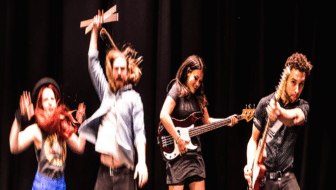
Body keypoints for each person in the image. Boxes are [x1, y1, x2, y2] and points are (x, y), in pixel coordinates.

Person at [78, 10, 148, 190]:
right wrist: (95, 30)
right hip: (103, 173)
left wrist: (142, 162)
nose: (118, 72)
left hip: (124, 174)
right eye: (115, 68)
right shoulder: (106, 91)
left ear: (127, 72)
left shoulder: (134, 99)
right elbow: (93, 63)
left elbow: (139, 133)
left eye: (122, 69)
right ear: (112, 71)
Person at [159, 55, 239, 190]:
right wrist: (178, 139)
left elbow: (207, 121)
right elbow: (163, 115)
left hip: (195, 155)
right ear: (188, 71)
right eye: (195, 79)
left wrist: (226, 121)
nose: (197, 84)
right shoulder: (177, 89)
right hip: (178, 154)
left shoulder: (199, 96)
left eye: (200, 81)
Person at [243, 52, 313, 190]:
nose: (297, 90)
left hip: (287, 178)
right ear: (285, 78)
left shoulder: (303, 106)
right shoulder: (264, 103)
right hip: (263, 178)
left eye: (301, 84)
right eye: (293, 82)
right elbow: (253, 140)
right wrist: (250, 165)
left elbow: (294, 118)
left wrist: (279, 113)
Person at [9, 77, 86, 190]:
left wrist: (83, 124)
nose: (50, 102)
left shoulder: (63, 127)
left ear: (56, 102)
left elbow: (80, 147)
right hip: (42, 186)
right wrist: (19, 117)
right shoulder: (37, 130)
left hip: (61, 185)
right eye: (46, 100)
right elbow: (14, 147)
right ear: (41, 105)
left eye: (52, 98)